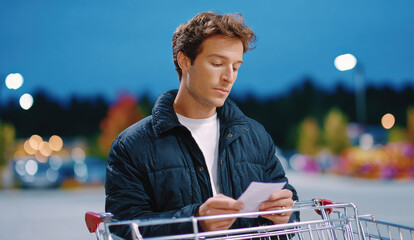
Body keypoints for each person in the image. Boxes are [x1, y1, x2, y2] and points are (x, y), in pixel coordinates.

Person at [105, 11, 299, 238]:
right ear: (185, 61)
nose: (229, 77)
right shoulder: (132, 146)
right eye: (218, 63)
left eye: (236, 67)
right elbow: (125, 225)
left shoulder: (255, 135)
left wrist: (286, 214)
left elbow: (290, 209)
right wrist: (196, 220)